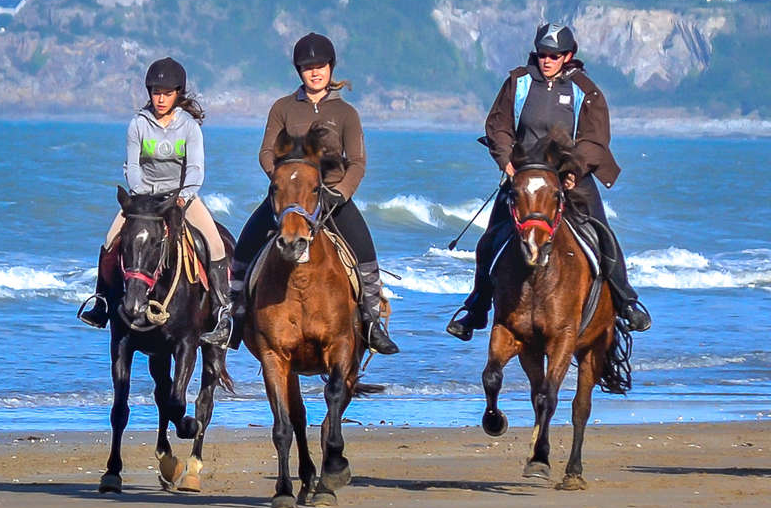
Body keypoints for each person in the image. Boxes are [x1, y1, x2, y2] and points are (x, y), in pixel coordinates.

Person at [446, 22, 651, 339]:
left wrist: (574, 170)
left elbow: (595, 139)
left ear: (568, 56)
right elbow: (498, 125)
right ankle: (476, 307)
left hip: (569, 177)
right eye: (542, 54)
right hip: (525, 178)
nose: (547, 60)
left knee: (601, 232)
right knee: (491, 239)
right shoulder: (519, 82)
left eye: (554, 55)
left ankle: (627, 302)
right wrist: (507, 163)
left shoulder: (585, 90)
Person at [228, 32, 400, 355]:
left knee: (365, 249)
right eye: (307, 67)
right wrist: (282, 181)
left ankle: (373, 321)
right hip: (290, 198)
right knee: (244, 245)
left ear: (331, 68)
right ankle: (232, 318)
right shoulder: (282, 108)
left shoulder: (347, 114)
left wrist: (342, 192)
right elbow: (266, 152)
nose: (314, 72)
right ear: (299, 72)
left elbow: (358, 163)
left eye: (320, 66)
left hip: (334, 199)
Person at [77, 57, 231, 343]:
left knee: (215, 243)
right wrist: (139, 197)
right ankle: (102, 304)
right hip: (143, 198)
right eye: (156, 93)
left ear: (178, 94)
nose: (160, 99)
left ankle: (223, 312)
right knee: (111, 240)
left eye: (167, 93)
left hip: (180, 197)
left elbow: (196, 168)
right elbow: (132, 166)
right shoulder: (138, 124)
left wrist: (183, 198)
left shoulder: (189, 128)